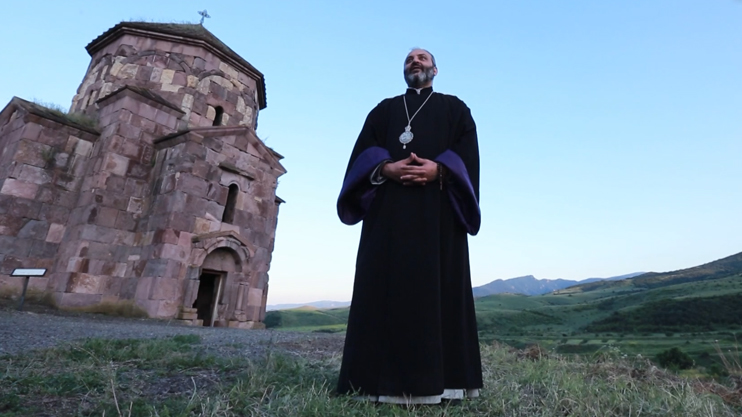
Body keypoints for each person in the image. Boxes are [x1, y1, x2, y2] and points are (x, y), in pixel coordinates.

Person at [336, 48, 483, 405]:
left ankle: (445, 384)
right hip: (387, 215)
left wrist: (440, 169)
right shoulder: (383, 110)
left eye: (422, 58)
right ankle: (371, 384)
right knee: (380, 286)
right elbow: (362, 153)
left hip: (439, 216)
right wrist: (385, 167)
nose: (415, 61)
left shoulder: (455, 109)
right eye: (409, 59)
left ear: (435, 69)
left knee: (439, 288)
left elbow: (468, 154)